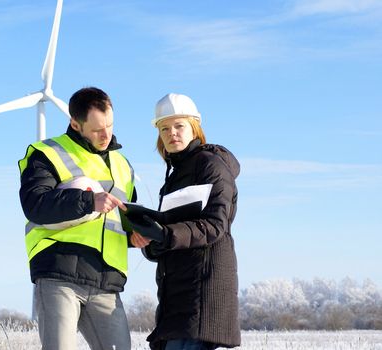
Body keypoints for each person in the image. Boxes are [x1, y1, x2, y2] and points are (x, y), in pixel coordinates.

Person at [18, 87, 147, 350]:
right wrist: (89, 201)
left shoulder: (123, 165)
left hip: (106, 281)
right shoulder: (47, 153)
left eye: (110, 125)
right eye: (97, 129)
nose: (106, 134)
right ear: (75, 124)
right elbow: (35, 205)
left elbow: (119, 220)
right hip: (59, 273)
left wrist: (136, 236)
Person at [126, 93, 241, 350]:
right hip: (174, 292)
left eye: (179, 126)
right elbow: (172, 233)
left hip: (201, 289)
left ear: (195, 128)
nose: (172, 133)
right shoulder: (175, 175)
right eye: (164, 128)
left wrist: (164, 234)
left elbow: (214, 225)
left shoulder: (212, 165)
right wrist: (149, 240)